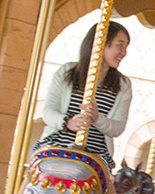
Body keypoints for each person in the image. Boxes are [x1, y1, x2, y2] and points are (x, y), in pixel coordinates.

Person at [32, 22, 132, 170]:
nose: (124, 52)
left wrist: (98, 118)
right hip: (58, 145)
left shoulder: (123, 85)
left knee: (108, 190)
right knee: (31, 180)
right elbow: (48, 112)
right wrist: (67, 122)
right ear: (101, 42)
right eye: (120, 45)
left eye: (126, 46)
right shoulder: (67, 73)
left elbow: (118, 128)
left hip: (96, 153)